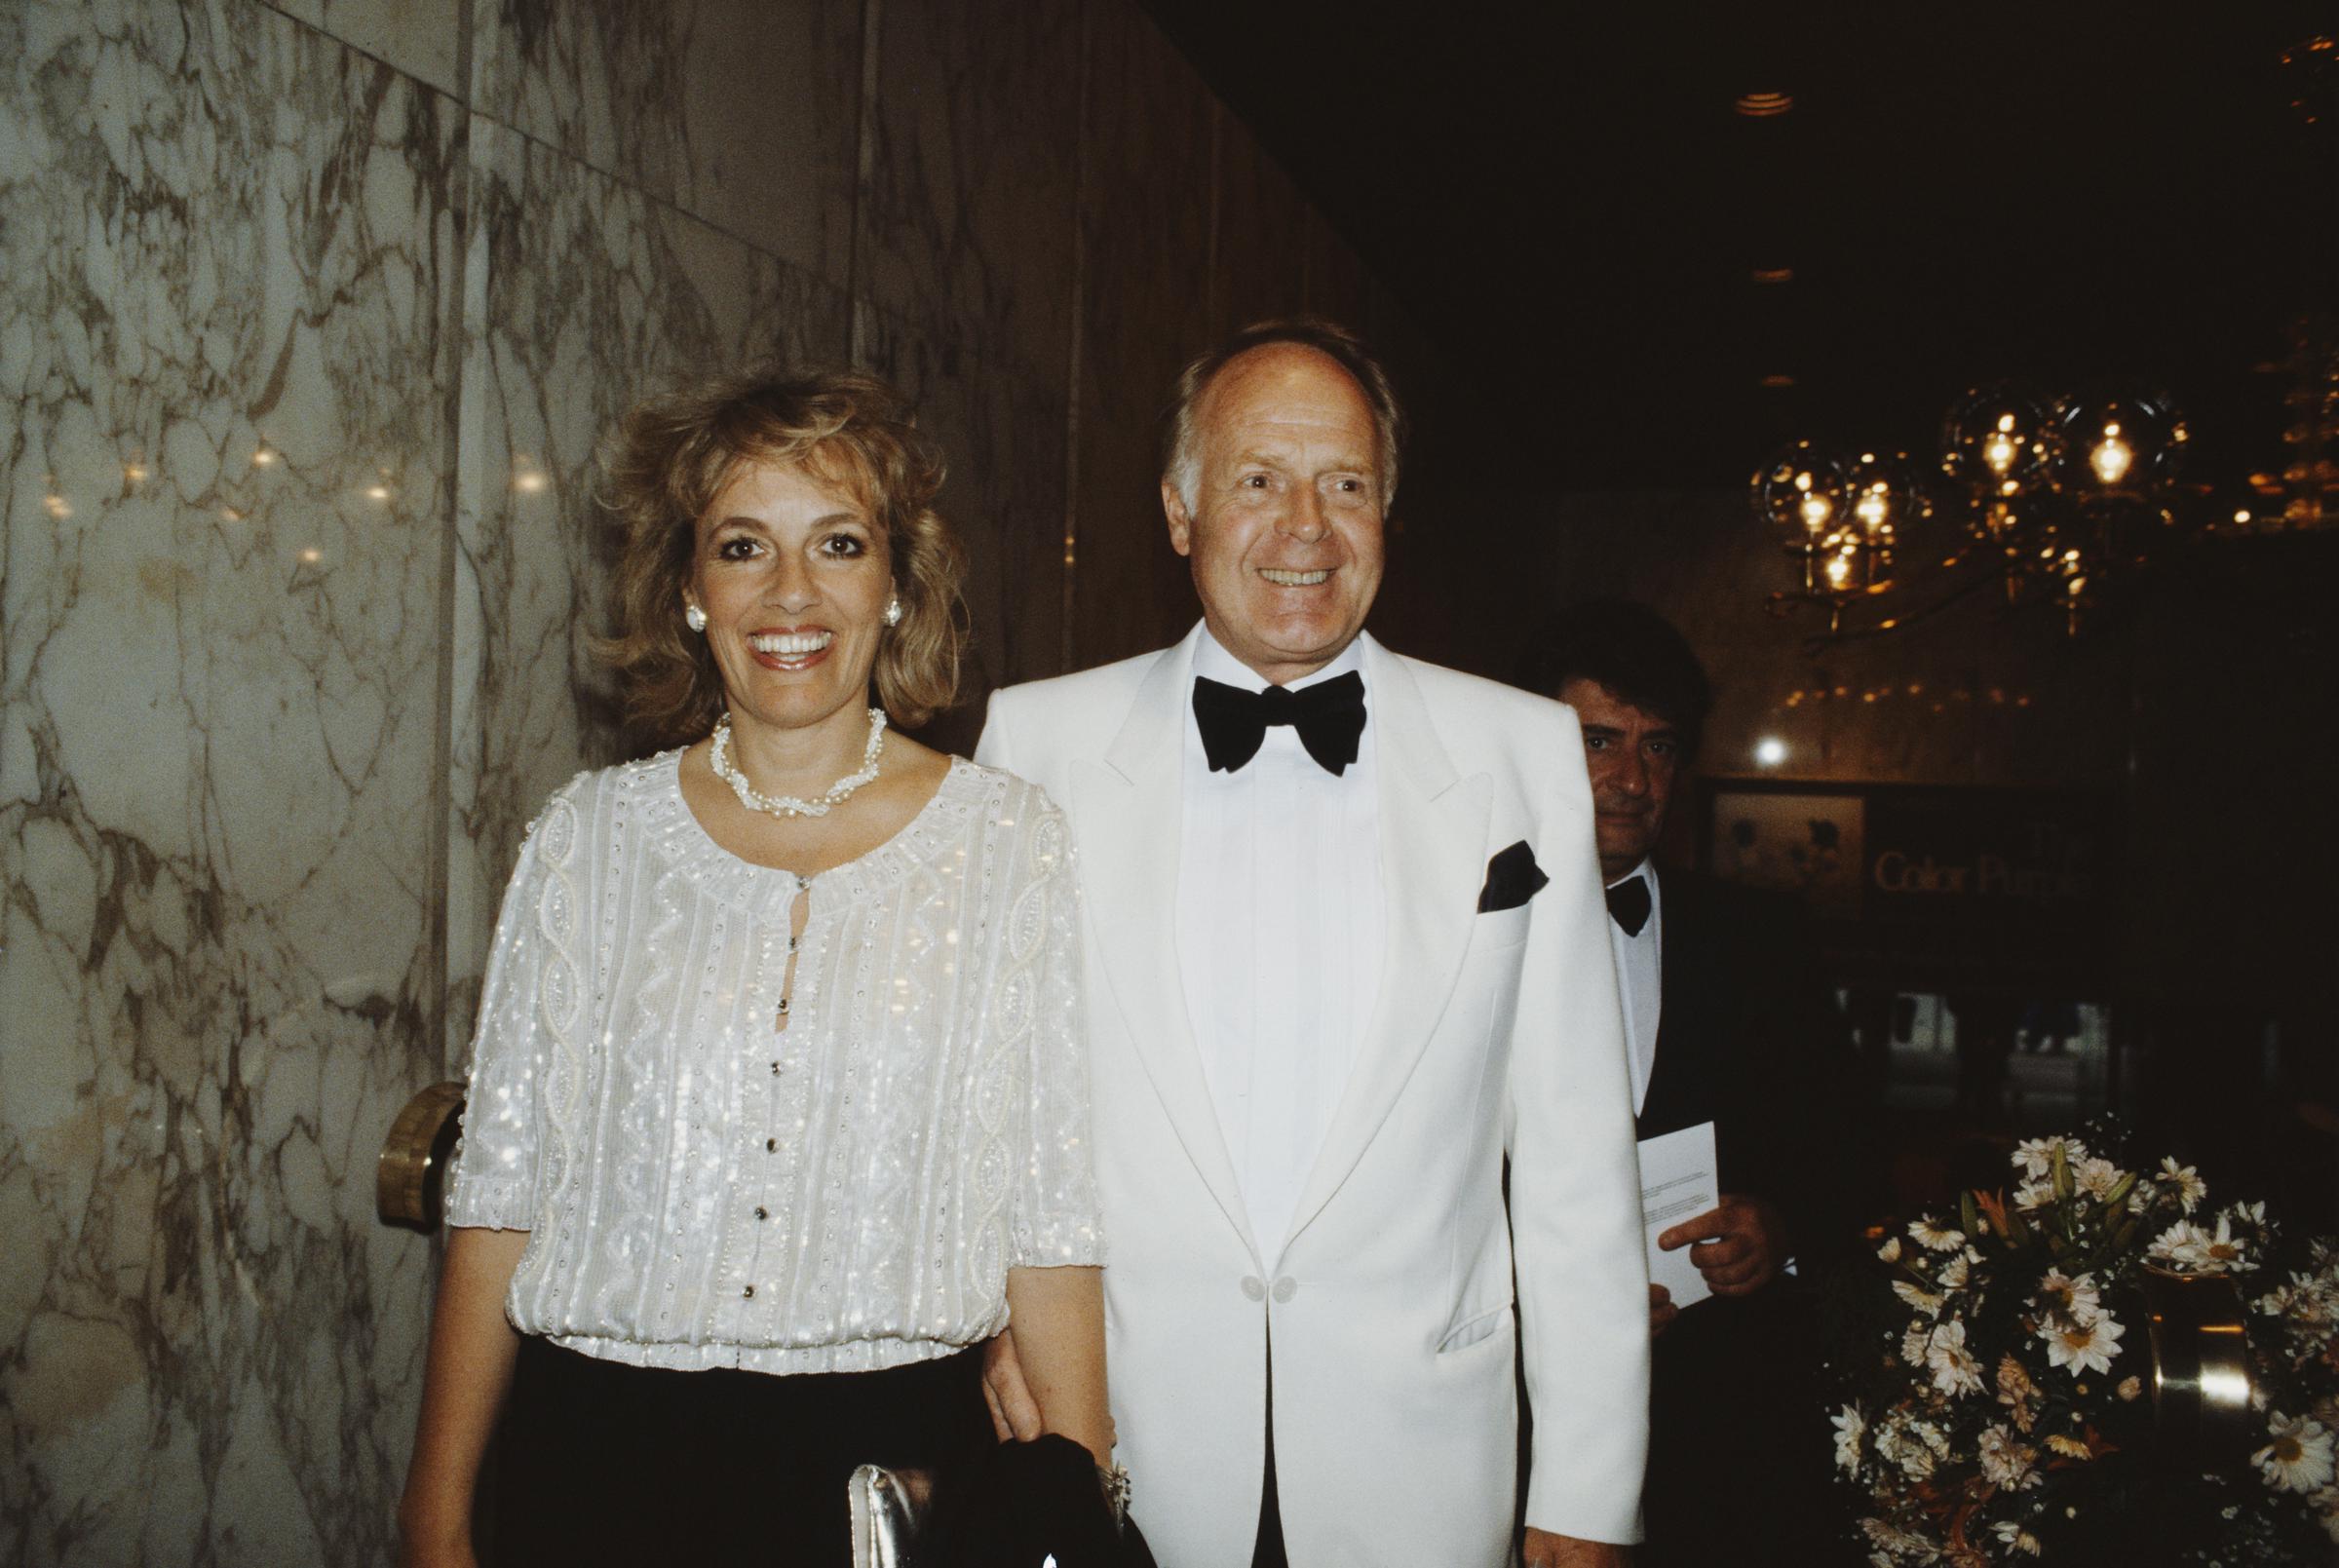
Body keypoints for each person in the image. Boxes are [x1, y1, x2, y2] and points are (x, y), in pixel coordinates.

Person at [397, 367, 1111, 1567]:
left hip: (888, 1485)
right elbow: (499, 1200)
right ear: (688, 588)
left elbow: (1047, 1217)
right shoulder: (588, 840)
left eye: (838, 543)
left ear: (896, 583)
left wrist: (1076, 1510)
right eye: (743, 546)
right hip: (591, 1473)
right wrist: (433, 1519)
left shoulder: (1009, 844)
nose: (793, 593)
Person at [975, 321, 1647, 1567]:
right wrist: (990, 1328)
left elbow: (1573, 1162)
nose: (1306, 526)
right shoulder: (1037, 744)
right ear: (1178, 511)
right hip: (1119, 1446)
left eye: (1346, 483)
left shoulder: (1520, 752)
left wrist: (1588, 1489)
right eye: (1258, 479)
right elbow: (992, 1104)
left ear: (1388, 509)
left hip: (1424, 1468)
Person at [1524, 598, 1860, 1567]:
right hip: (1511, 1427)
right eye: (1599, 740)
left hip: (1722, 1440)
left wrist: (1781, 1229)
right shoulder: (1456, 932)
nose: (1632, 779)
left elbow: (1850, 1152)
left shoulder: (1761, 941)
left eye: (1660, 748)